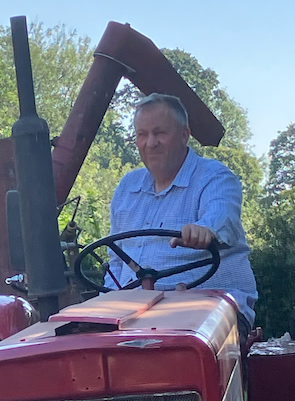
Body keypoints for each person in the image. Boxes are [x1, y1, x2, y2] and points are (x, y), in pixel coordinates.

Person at [106, 92, 258, 329]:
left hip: (207, 309)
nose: (150, 143)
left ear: (184, 135)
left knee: (174, 349)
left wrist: (206, 230)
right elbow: (116, 262)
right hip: (131, 314)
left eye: (160, 133)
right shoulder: (127, 187)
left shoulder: (214, 177)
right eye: (142, 135)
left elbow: (222, 215)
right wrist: (107, 299)